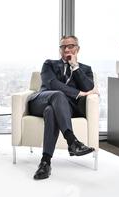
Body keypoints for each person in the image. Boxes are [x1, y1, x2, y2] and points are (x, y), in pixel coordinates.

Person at [28, 35, 96, 180]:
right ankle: (72, 141)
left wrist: (75, 67)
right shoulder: (49, 64)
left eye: (70, 46)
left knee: (51, 112)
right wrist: (77, 93)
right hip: (41, 100)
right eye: (63, 47)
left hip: (63, 109)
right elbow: (52, 84)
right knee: (57, 95)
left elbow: (88, 86)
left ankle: (45, 163)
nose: (66, 49)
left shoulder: (85, 69)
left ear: (78, 49)